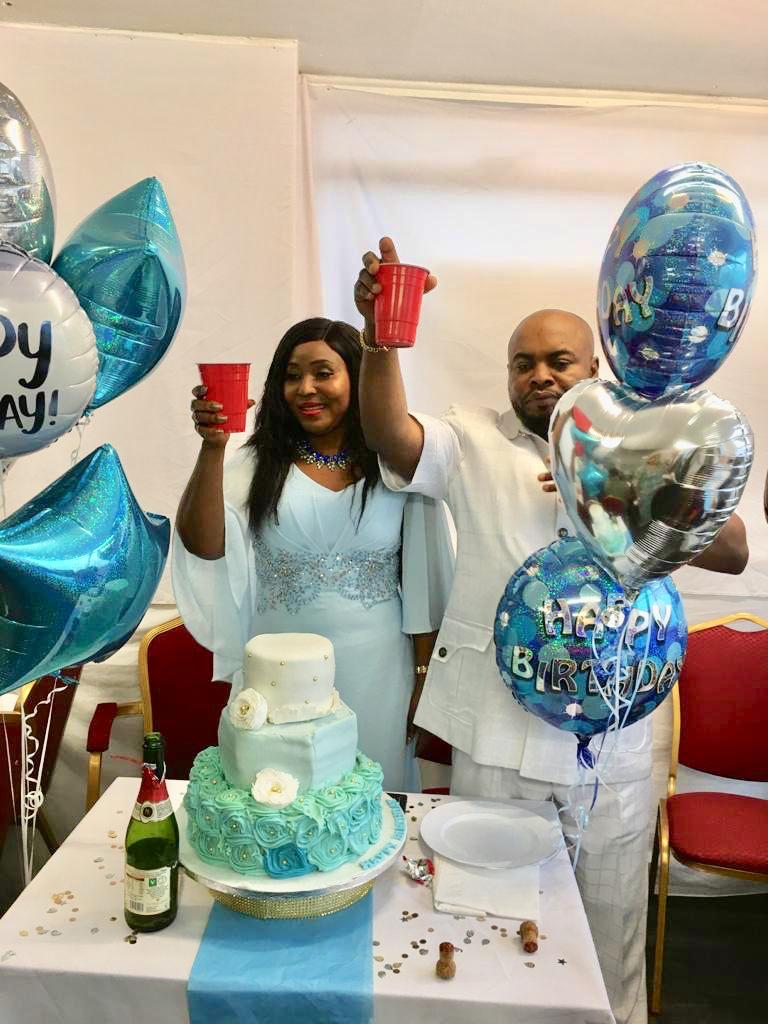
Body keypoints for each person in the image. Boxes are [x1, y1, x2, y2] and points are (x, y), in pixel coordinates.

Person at [354, 239, 748, 1024]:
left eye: (559, 360)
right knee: (488, 913)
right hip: (497, 732)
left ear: (595, 367)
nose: (539, 374)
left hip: (614, 740)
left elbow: (733, 551)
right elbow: (391, 436)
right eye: (522, 363)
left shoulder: (654, 444)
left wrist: (624, 488)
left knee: (609, 924)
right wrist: (378, 341)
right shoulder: (472, 437)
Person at [173, 317, 454, 792]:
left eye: (323, 373)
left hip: (380, 672)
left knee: (368, 804)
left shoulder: (396, 465)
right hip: (277, 677)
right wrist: (214, 447)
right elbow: (203, 544)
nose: (306, 388)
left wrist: (424, 678)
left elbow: (424, 581)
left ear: (357, 377)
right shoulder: (257, 464)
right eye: (292, 375)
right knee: (280, 797)